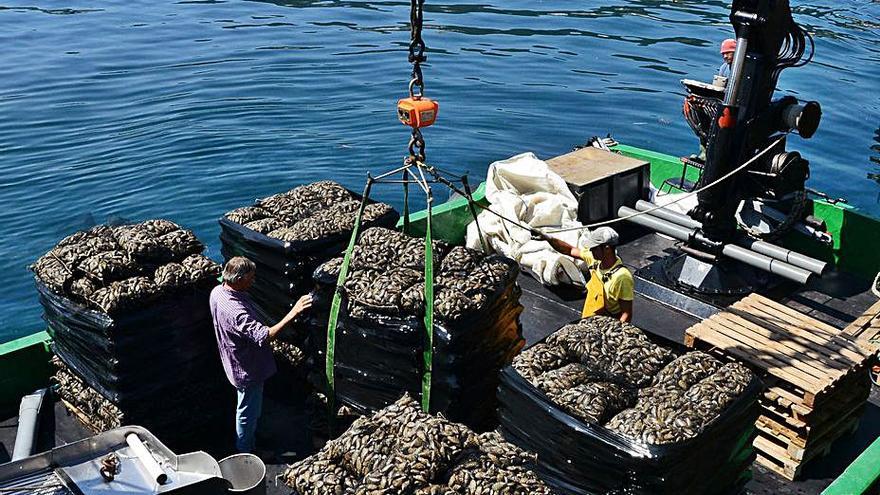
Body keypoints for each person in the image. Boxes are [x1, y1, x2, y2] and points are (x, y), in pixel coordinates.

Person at [210, 256, 313, 454]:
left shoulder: (217, 292)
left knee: (250, 405)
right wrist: (295, 311)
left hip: (232, 358)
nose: (254, 281)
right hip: (247, 368)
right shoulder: (235, 311)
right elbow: (265, 336)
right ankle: (246, 450)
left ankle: (249, 439)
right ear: (238, 280)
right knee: (247, 411)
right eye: (250, 278)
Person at [542, 227, 634, 323]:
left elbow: (626, 314)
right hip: (592, 312)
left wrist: (613, 332)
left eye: (594, 248)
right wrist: (549, 238)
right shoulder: (594, 260)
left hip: (609, 320)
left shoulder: (622, 277)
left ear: (607, 248)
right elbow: (570, 250)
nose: (591, 251)